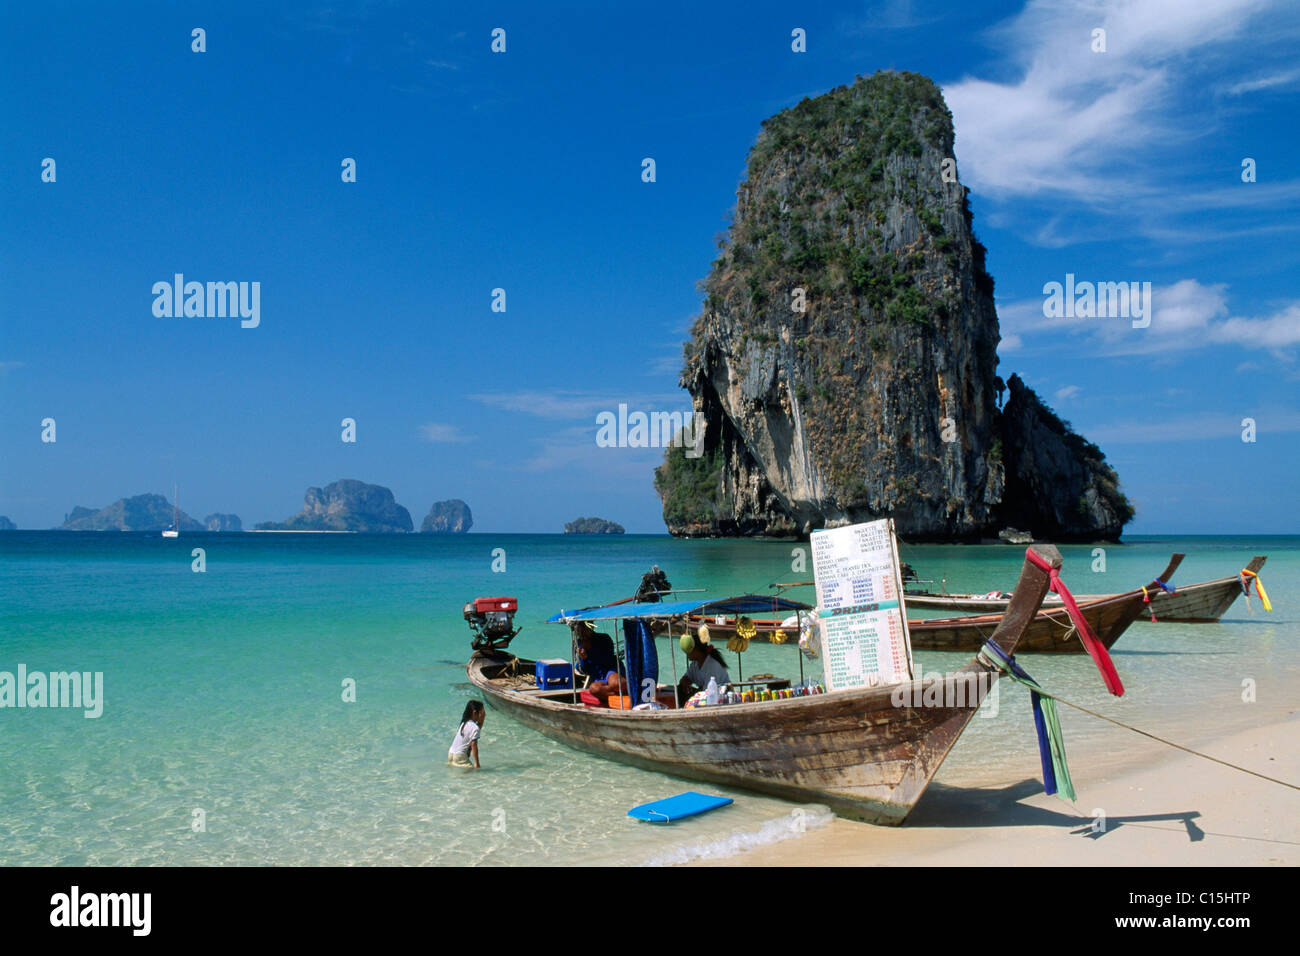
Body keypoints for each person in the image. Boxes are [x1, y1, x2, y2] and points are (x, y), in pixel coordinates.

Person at [571, 621, 623, 705]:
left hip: (611, 669)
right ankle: (617, 697)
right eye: (579, 631)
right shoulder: (578, 644)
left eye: (584, 630)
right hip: (598, 677)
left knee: (615, 683)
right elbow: (582, 670)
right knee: (594, 689)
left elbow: (608, 660)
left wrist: (591, 650)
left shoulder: (604, 638)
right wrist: (583, 659)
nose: (582, 633)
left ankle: (629, 689)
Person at [677, 626, 730, 703]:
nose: (687, 653)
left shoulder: (712, 665)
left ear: (698, 650)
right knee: (680, 689)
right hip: (706, 694)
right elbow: (686, 677)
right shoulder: (694, 665)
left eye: (690, 650)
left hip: (719, 698)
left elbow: (708, 692)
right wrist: (685, 682)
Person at [448, 700, 485, 769]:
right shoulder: (474, 727)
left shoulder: (464, 723)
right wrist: (477, 763)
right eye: (482, 712)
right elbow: (474, 745)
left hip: (451, 753)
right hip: (460, 755)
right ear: (475, 712)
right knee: (472, 774)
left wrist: (482, 719)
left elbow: (477, 728)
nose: (483, 714)